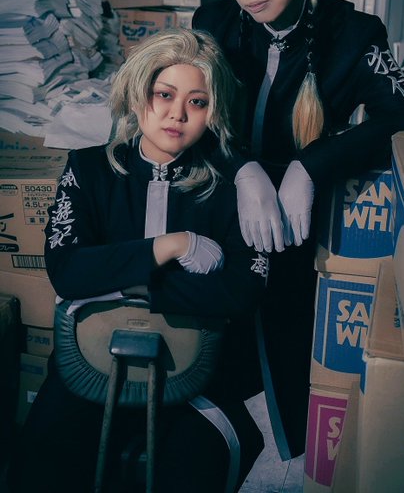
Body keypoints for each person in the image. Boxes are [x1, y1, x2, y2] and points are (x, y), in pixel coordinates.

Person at [192, 0, 404, 460]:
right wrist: (242, 169)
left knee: (290, 328)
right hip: (223, 192)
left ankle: (303, 446)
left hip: (301, 208)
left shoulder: (355, 31)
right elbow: (192, 112)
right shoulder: (212, 23)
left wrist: (310, 165)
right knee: (213, 330)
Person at [6, 28, 269, 493]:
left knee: (197, 467)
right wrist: (169, 247)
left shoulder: (233, 187)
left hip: (198, 375)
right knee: (40, 468)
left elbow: (241, 292)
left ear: (213, 112)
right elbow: (68, 272)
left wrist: (119, 281)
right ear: (137, 92)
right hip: (89, 361)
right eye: (164, 94)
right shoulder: (87, 169)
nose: (176, 114)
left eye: (197, 102)